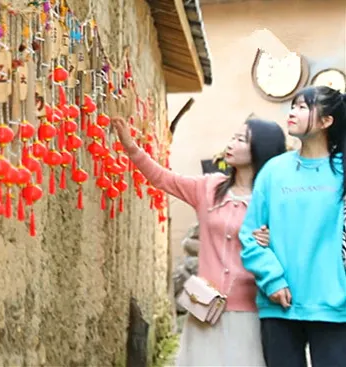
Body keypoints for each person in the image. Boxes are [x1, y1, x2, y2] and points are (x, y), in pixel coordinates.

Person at [111, 116, 286, 366]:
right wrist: (131, 148)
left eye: (242, 139)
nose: (232, 143)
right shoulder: (210, 187)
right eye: (233, 137)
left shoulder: (271, 200)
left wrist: (273, 240)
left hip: (249, 311)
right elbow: (163, 179)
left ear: (260, 149)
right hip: (204, 307)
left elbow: (291, 247)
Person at [238, 86, 346, 367]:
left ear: (326, 122)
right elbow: (250, 235)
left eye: (303, 107)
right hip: (279, 305)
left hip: (335, 306)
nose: (293, 112)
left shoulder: (342, 170)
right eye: (293, 106)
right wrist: (272, 279)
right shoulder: (274, 171)